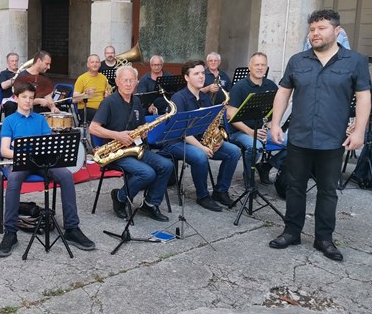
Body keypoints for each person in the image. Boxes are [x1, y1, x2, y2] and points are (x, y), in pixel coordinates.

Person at [268, 9, 371, 262]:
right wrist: (275, 123)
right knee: (295, 187)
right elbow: (283, 92)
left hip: (332, 139)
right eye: (312, 29)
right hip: (300, 137)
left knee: (327, 190)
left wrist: (359, 130)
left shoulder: (354, 61)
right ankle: (291, 232)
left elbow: (363, 97)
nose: (315, 33)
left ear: (337, 31)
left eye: (321, 28)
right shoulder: (297, 60)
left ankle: (324, 238)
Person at [0, 81, 96, 257]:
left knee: (65, 175)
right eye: (24, 97)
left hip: (42, 161)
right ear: (17, 98)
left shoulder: (40, 119)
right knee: (13, 180)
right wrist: (21, 155)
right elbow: (4, 150)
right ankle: (10, 232)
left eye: (31, 98)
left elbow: (50, 144)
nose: (27, 101)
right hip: (21, 161)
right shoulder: (10, 121)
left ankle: (72, 228)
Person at [89, 66, 174, 222]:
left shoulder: (136, 101)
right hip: (116, 152)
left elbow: (139, 126)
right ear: (117, 82)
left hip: (136, 148)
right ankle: (120, 198)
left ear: (136, 82)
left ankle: (150, 204)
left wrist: (143, 132)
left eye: (131, 80)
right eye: (125, 80)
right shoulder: (108, 102)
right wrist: (118, 135)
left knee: (167, 166)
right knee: (147, 173)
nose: (128, 84)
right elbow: (93, 128)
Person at [162, 59, 241, 212]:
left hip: (198, 140)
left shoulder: (204, 98)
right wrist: (203, 148)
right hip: (175, 141)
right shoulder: (179, 98)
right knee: (199, 156)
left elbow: (213, 123)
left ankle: (220, 191)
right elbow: (182, 131)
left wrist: (217, 138)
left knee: (234, 151)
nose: (201, 77)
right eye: (196, 73)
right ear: (186, 77)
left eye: (202, 73)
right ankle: (203, 196)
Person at [226, 52, 286, 186]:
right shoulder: (239, 87)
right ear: (249, 67)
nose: (260, 68)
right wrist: (250, 132)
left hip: (262, 130)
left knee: (294, 143)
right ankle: (249, 176)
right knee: (255, 148)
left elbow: (275, 109)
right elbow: (230, 115)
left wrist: (273, 125)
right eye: (256, 64)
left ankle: (266, 167)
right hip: (240, 132)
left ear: (266, 67)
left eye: (263, 65)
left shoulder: (271, 86)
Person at [72, 54, 109, 124]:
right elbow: (74, 99)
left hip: (102, 108)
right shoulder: (81, 78)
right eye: (92, 62)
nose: (95, 64)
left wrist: (107, 96)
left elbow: (106, 95)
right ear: (88, 65)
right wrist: (86, 94)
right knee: (103, 116)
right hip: (86, 110)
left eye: (97, 62)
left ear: (100, 64)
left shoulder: (104, 78)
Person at [0, 52, 20, 116]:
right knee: (10, 105)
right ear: (7, 62)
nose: (14, 63)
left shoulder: (22, 72)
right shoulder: (3, 73)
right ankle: (10, 124)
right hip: (9, 100)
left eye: (16, 61)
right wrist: (15, 78)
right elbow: (3, 86)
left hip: (21, 98)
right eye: (12, 61)